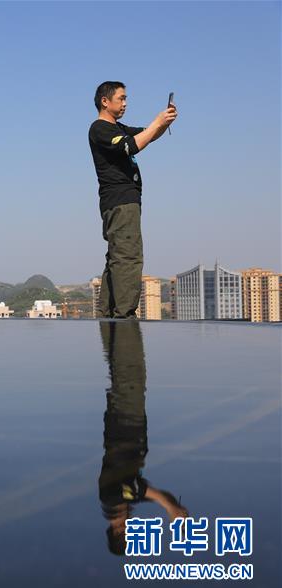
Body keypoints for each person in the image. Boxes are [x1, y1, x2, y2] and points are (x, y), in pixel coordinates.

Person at [98, 321, 188, 555]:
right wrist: (172, 508)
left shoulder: (112, 497)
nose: (134, 525)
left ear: (119, 531)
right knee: (125, 370)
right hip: (126, 420)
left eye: (131, 531)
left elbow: (144, 492)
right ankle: (118, 329)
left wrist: (168, 507)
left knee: (130, 369)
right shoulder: (123, 499)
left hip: (125, 419)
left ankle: (124, 328)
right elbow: (147, 493)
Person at [89, 82, 177, 318]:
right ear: (105, 101)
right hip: (120, 201)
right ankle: (124, 315)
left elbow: (145, 135)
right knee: (128, 255)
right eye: (121, 98)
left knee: (116, 256)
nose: (125, 103)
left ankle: (109, 314)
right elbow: (131, 146)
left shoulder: (117, 127)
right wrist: (157, 123)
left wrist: (162, 123)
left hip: (120, 201)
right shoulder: (100, 129)